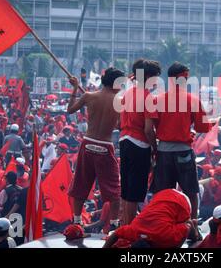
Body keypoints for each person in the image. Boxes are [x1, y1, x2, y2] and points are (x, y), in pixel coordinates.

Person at [147, 62, 212, 222]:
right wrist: (211, 123)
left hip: (163, 152)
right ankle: (193, 225)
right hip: (184, 151)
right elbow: (203, 127)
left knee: (161, 193)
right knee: (191, 191)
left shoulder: (157, 100)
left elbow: (152, 126)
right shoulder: (193, 100)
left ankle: (161, 222)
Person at [67, 68, 125, 229]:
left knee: (80, 184)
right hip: (105, 146)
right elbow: (121, 126)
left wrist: (74, 88)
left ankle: (76, 222)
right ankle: (114, 225)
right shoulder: (120, 102)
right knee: (114, 189)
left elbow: (70, 110)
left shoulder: (88, 96)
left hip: (88, 143)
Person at [120, 59, 161, 224]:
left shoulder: (127, 93)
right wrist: (155, 148)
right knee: (135, 191)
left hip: (124, 141)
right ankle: (129, 228)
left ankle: (124, 226)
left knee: (127, 188)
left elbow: (118, 122)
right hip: (139, 144)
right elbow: (148, 129)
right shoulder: (148, 97)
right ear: (149, 77)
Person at [103, 189, 198, 248]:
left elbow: (187, 226)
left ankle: (196, 229)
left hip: (181, 202)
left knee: (189, 230)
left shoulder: (165, 236)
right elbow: (116, 234)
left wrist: (192, 235)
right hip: (161, 196)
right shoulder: (134, 231)